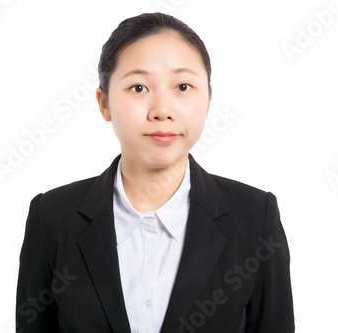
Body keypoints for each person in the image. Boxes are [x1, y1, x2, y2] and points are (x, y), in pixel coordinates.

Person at [16, 12, 294, 333]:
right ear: (103, 102)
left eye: (183, 86)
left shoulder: (256, 217)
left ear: (208, 99)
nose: (162, 110)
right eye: (138, 87)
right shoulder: (50, 217)